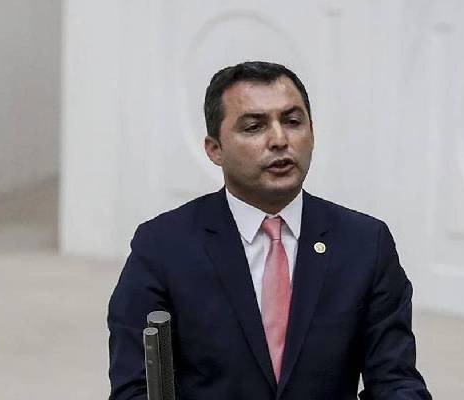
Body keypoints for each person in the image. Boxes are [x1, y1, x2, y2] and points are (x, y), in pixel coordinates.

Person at [108, 61, 432, 399]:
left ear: (312, 133)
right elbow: (135, 388)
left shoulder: (365, 243)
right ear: (215, 149)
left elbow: (396, 381)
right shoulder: (163, 246)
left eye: (292, 122)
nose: (279, 140)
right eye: (254, 127)